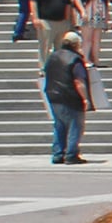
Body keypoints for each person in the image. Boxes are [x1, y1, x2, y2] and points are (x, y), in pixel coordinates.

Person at [43, 29, 91, 164]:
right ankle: (71, 154)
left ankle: (58, 153)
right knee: (75, 125)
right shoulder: (75, 59)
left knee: (59, 125)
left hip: (53, 96)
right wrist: (85, 98)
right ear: (76, 45)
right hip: (70, 97)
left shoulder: (53, 56)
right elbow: (79, 81)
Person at [27, 0, 72, 68]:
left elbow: (68, 4)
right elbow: (33, 1)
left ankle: (58, 69)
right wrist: (35, 17)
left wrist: (68, 20)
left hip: (61, 22)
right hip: (46, 22)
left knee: (60, 48)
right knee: (45, 47)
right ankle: (44, 68)